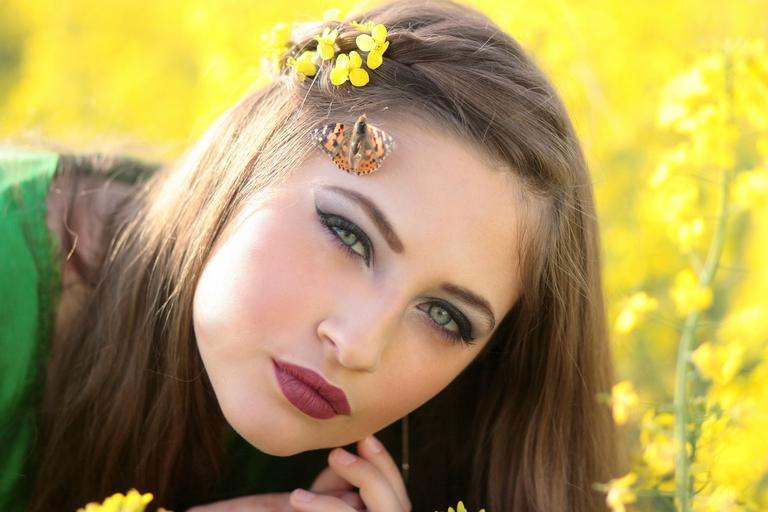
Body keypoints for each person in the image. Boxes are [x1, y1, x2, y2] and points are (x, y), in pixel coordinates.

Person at [0, 0, 623, 510]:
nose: (357, 345)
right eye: (348, 235)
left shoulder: (392, 461)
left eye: (444, 317)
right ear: (252, 155)